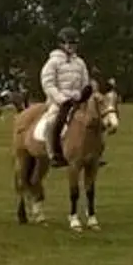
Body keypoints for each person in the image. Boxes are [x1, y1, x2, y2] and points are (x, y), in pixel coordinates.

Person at [34, 27, 93, 166]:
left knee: (94, 121)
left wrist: (82, 94)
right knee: (51, 122)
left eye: (74, 44)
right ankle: (54, 153)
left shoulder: (80, 63)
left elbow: (85, 82)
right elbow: (48, 84)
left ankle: (94, 152)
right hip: (58, 101)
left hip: (78, 101)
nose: (71, 46)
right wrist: (61, 98)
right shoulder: (52, 62)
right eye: (68, 43)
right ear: (61, 44)